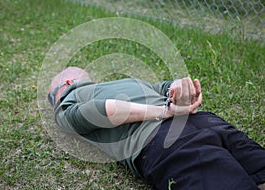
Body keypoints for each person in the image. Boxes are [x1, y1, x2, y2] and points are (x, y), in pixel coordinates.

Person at [48, 66, 265, 190]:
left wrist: (167, 109)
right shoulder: (128, 83)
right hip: (206, 122)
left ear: (66, 84)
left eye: (51, 97)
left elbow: (104, 110)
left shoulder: (67, 101)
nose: (54, 103)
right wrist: (178, 88)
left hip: (164, 141)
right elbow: (165, 87)